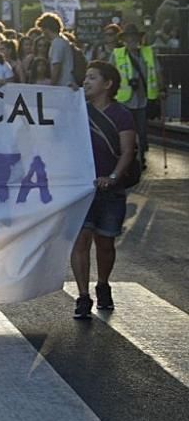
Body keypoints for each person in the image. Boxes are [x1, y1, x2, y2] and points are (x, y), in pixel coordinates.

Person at [71, 61, 136, 319]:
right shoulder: (77, 111)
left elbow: (127, 151)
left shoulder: (122, 115)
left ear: (108, 84)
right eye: (85, 77)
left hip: (110, 190)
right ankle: (83, 296)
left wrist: (112, 177)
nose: (86, 82)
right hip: (82, 189)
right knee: (81, 241)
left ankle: (103, 284)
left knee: (105, 242)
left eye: (92, 78)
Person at [110, 24, 163, 169]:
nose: (132, 40)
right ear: (125, 39)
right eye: (129, 37)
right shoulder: (117, 54)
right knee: (124, 131)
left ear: (139, 39)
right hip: (123, 100)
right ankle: (126, 159)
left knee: (142, 131)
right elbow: (110, 74)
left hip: (143, 99)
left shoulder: (148, 53)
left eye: (134, 37)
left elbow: (157, 72)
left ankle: (141, 158)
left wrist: (161, 89)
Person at [37, 13, 76, 88]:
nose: (42, 33)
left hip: (62, 85)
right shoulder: (63, 41)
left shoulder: (57, 44)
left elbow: (56, 67)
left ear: (47, 29)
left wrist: (52, 85)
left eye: (42, 30)